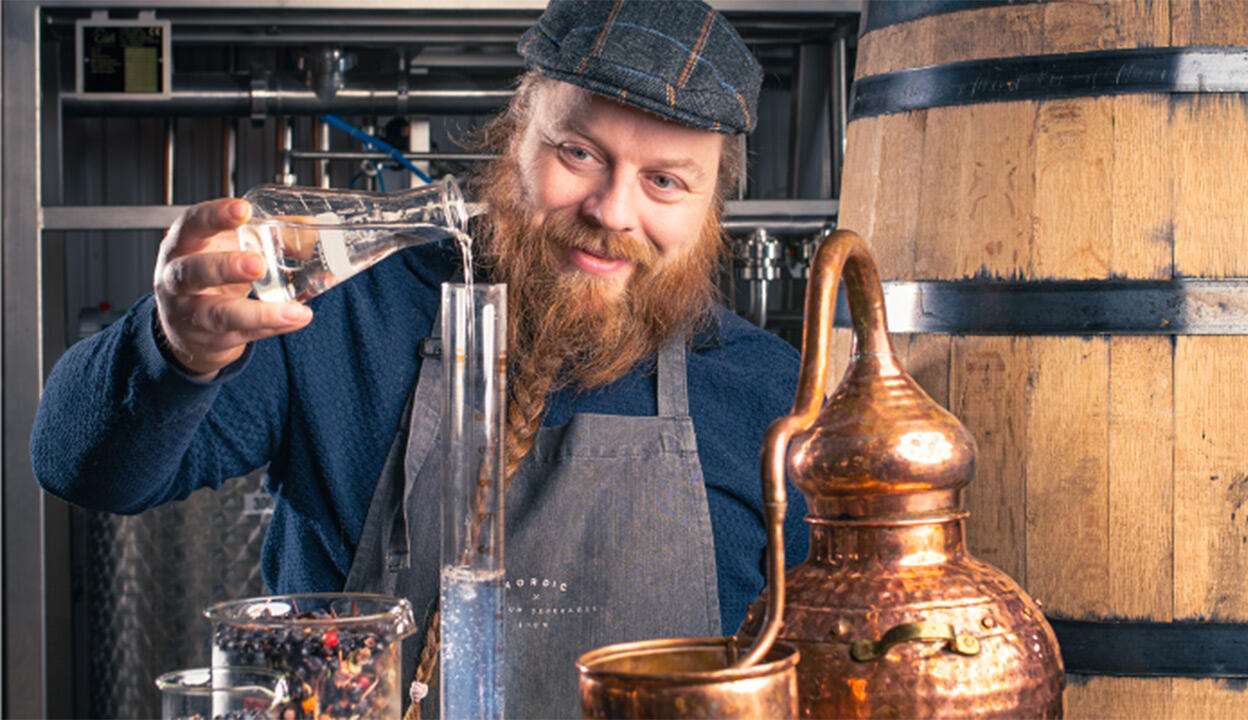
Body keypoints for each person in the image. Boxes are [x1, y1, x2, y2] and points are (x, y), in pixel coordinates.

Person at [31, 1, 808, 717]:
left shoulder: (767, 392)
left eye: (665, 182)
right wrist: (175, 347)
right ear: (516, 138)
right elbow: (78, 467)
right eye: (577, 152)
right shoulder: (340, 317)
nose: (611, 210)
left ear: (713, 206)